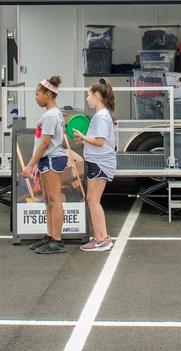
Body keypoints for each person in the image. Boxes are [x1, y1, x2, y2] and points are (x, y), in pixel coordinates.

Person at [21, 76, 68, 255]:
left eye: (37, 94)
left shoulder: (50, 115)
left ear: (48, 95)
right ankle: (50, 236)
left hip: (52, 159)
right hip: (49, 159)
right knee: (48, 200)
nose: (36, 97)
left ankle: (57, 240)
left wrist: (30, 164)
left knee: (54, 200)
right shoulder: (53, 113)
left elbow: (44, 143)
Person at [73, 78, 117, 252]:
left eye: (88, 95)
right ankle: (101, 237)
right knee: (93, 200)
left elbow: (99, 142)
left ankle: (101, 239)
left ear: (97, 96)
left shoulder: (101, 116)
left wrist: (82, 137)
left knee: (93, 200)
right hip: (98, 161)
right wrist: (84, 141)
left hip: (100, 162)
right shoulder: (103, 115)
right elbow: (99, 141)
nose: (87, 98)